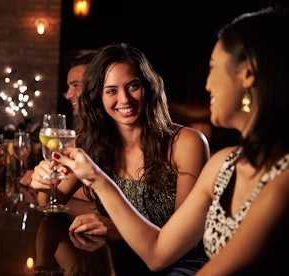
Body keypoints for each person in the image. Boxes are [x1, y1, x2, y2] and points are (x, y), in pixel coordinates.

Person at [53, 6, 289, 275]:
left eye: (213, 68)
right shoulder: (223, 165)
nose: (208, 84)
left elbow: (166, 257)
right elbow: (157, 252)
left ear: (248, 74)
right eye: (110, 91)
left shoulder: (281, 182)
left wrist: (98, 183)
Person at [31, 42, 211, 274]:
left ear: (148, 87)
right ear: (98, 96)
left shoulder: (187, 143)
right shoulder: (89, 143)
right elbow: (49, 204)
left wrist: (116, 229)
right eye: (111, 90)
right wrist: (44, 184)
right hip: (116, 258)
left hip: (177, 265)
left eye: (133, 86)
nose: (125, 99)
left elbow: (184, 239)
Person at [19, 51, 94, 187]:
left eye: (76, 85)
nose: (68, 95)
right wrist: (43, 180)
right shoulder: (82, 133)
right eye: (69, 86)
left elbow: (94, 191)